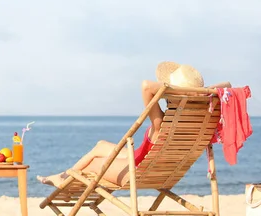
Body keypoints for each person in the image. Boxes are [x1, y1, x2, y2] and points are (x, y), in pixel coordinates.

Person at [37, 61, 232, 187]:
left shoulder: (161, 124)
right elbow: (228, 85)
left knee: (94, 163)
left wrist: (175, 91)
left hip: (136, 173)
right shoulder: (196, 123)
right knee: (101, 146)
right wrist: (200, 92)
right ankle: (60, 176)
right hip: (153, 165)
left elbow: (146, 85)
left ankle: (62, 179)